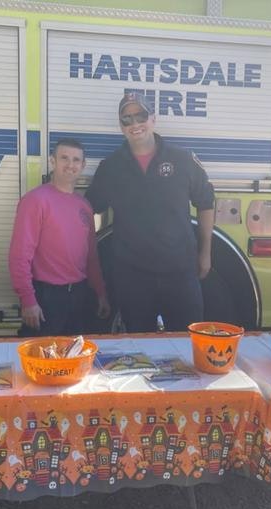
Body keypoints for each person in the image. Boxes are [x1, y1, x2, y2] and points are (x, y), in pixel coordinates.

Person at [86, 92, 215, 332]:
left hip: (180, 271)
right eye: (127, 119)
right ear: (121, 126)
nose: (135, 124)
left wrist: (205, 253)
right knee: (139, 344)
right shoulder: (111, 167)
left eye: (141, 115)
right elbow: (87, 208)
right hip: (133, 275)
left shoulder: (183, 159)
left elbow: (206, 203)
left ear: (153, 118)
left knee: (187, 341)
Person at [9, 138, 110, 336]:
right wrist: (28, 300)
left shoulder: (84, 206)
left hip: (79, 296)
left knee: (76, 362)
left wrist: (100, 293)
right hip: (46, 299)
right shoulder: (35, 201)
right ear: (52, 161)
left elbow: (91, 257)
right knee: (43, 363)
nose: (70, 165)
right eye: (64, 158)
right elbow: (20, 255)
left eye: (75, 160)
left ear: (83, 165)